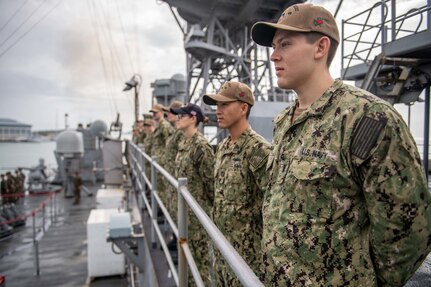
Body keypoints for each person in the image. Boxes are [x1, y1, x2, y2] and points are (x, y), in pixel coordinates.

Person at [251, 3, 431, 286]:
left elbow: (409, 234)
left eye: (284, 44)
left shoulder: (367, 118)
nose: (274, 56)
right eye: (273, 46)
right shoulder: (284, 120)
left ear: (320, 48)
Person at [203, 81, 271, 286]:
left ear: (243, 108)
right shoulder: (223, 147)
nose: (218, 111)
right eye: (217, 106)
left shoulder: (258, 150)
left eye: (224, 105)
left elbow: (272, 209)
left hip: (248, 261)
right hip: (223, 252)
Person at [171, 103, 215, 283]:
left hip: (196, 220)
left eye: (182, 116)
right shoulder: (184, 143)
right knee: (186, 262)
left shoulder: (201, 147)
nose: (177, 119)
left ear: (193, 118)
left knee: (199, 266)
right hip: (183, 215)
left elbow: (211, 185)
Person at [161, 100, 185, 221]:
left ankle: (179, 238)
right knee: (173, 209)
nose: (168, 115)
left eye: (171, 112)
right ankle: (176, 237)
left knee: (178, 212)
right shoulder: (176, 132)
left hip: (177, 178)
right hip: (171, 176)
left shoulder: (181, 133)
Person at [149, 103, 174, 207]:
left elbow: (169, 144)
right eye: (153, 113)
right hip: (158, 161)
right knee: (158, 187)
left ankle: (162, 210)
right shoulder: (159, 126)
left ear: (162, 113)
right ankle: (159, 208)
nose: (154, 114)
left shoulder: (164, 126)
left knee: (162, 188)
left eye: (156, 112)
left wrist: (164, 158)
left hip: (162, 162)